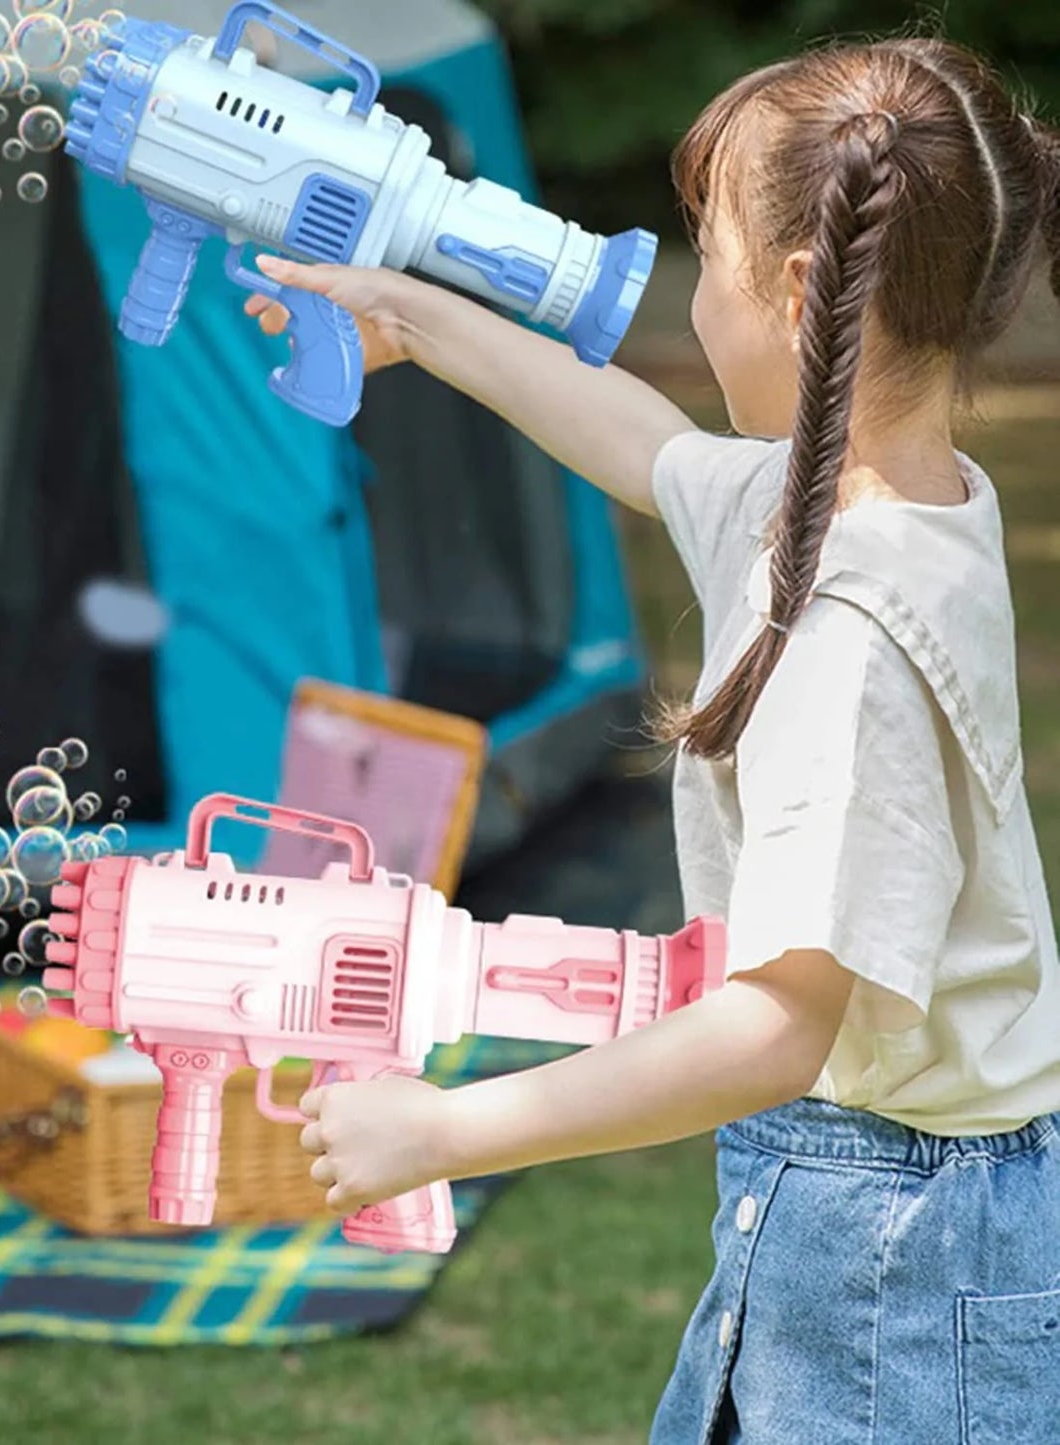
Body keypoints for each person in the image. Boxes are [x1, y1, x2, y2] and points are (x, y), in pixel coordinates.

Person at [248, 37, 1060, 1441]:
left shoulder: (848, 642)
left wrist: (442, 1129)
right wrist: (414, 318)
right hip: (883, 1202)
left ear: (801, 298)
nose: (693, 288)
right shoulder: (894, 499)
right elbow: (640, 441)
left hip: (903, 1243)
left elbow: (769, 1031)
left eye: (708, 248)